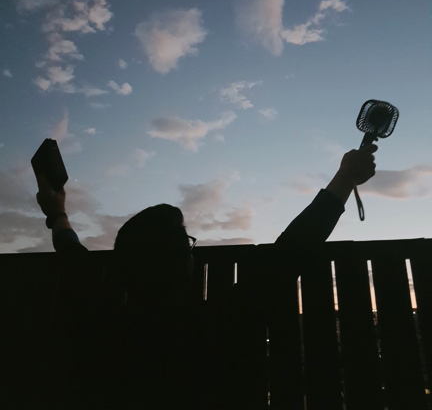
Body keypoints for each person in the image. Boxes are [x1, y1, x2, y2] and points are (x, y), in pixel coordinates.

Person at [35, 143, 378, 409]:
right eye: (187, 244)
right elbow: (292, 250)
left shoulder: (103, 324)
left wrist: (57, 213)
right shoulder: (220, 321)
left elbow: (74, 259)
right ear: (183, 263)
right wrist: (346, 177)